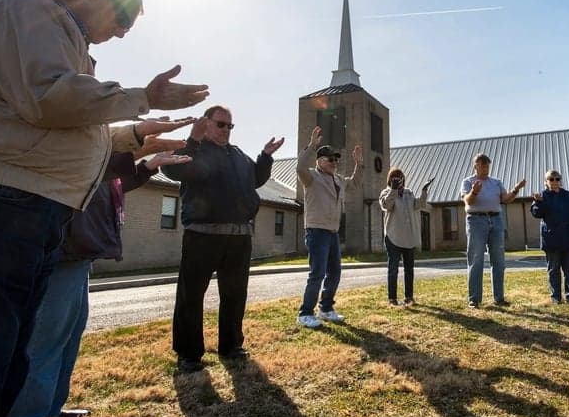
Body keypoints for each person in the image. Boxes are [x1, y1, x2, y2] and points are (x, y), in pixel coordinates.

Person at [0, 0, 209, 417]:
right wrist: (140, 97)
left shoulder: (64, 38)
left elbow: (73, 123)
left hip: (35, 207)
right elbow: (50, 98)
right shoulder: (28, 11)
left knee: (13, 348)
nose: (120, 34)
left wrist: (135, 133)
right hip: (3, 201)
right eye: (122, 21)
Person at [0, 146, 192, 417]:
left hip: (81, 252)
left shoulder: (99, 150)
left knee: (68, 338)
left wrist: (147, 166)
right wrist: (136, 146)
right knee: (43, 343)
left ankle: (50, 409)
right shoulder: (77, 141)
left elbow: (112, 185)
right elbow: (87, 171)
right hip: (63, 249)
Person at [162, 105, 284, 373]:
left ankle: (231, 346)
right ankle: (189, 354)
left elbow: (255, 179)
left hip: (238, 238)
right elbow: (174, 170)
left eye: (230, 126)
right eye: (221, 124)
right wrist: (192, 141)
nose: (226, 130)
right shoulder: (194, 149)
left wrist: (264, 157)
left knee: (234, 294)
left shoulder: (237, 154)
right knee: (191, 296)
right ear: (206, 124)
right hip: (202, 237)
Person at [295, 126, 363, 328]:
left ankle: (325, 308)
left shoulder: (338, 179)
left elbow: (355, 183)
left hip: (333, 232)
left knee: (335, 272)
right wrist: (312, 145)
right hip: (317, 231)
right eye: (330, 159)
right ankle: (305, 313)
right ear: (319, 161)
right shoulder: (311, 177)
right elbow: (299, 167)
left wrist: (359, 164)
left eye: (336, 159)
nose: (335, 163)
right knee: (317, 273)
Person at [460, 153, 526, 308]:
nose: (485, 168)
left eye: (487, 165)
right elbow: (468, 201)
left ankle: (499, 298)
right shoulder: (468, 182)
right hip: (476, 220)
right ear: (475, 166)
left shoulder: (496, 182)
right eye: (482, 165)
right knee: (476, 260)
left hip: (496, 220)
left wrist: (516, 189)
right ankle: (474, 299)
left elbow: (506, 199)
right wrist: (474, 191)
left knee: (498, 260)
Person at [530, 170, 569, 305]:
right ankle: (556, 297)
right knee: (553, 269)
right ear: (546, 182)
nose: (554, 182)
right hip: (552, 239)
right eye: (551, 179)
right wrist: (538, 203)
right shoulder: (542, 196)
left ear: (560, 181)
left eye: (557, 179)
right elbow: (536, 213)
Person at [379, 168, 432, 307]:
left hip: (409, 237)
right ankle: (392, 299)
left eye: (400, 177)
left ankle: (409, 297)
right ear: (390, 180)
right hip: (393, 236)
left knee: (409, 269)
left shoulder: (409, 193)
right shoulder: (386, 192)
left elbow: (419, 204)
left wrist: (424, 191)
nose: (398, 180)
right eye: (395, 178)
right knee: (393, 268)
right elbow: (387, 206)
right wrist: (393, 190)